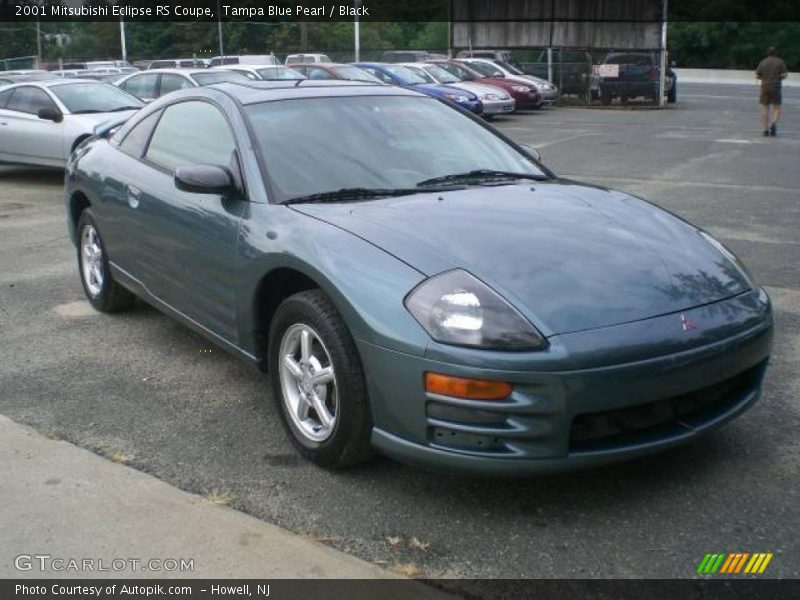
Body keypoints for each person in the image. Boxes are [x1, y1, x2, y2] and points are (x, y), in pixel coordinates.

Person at [756, 47, 788, 137]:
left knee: (765, 108)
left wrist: (764, 78)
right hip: (776, 87)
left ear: (767, 53)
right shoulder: (780, 62)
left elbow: (757, 75)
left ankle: (765, 130)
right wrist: (779, 78)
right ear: (776, 53)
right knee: (777, 107)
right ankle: (773, 123)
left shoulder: (763, 62)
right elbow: (785, 75)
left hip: (765, 87)